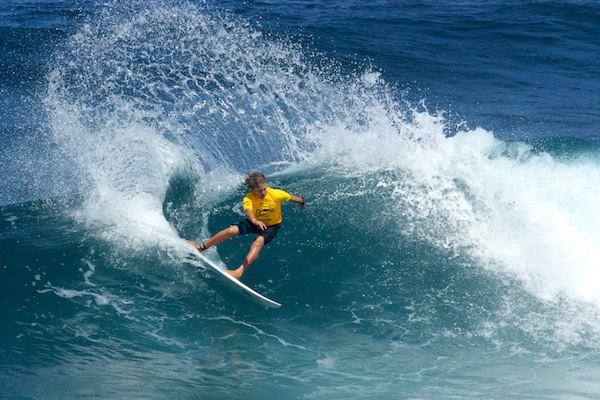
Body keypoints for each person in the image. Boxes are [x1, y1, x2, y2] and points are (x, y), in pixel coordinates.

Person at [189, 172, 306, 280]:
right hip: (254, 222)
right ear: (252, 189)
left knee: (258, 242)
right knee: (230, 231)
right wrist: (255, 221)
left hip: (271, 226)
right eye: (260, 190)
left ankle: (238, 272)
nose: (263, 192)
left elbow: (293, 198)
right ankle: (200, 248)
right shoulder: (248, 198)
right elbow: (248, 211)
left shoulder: (276, 194)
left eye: (265, 189)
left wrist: (302, 202)